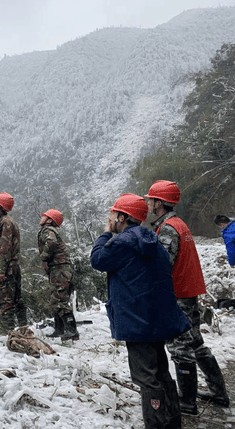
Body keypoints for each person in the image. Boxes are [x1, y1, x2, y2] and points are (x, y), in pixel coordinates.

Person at [91, 193, 190, 429]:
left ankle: (157, 425)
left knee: (146, 378)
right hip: (157, 319)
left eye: (114, 214)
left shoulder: (122, 242)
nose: (111, 218)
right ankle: (172, 422)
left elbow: (97, 260)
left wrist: (106, 232)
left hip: (137, 322)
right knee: (161, 374)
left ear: (123, 217)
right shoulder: (152, 240)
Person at [145, 181, 230, 414]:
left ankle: (187, 401)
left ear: (159, 203)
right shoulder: (179, 224)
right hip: (189, 292)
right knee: (195, 343)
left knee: (180, 348)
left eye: (151, 200)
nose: (148, 203)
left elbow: (163, 265)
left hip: (178, 295)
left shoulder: (168, 229)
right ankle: (218, 392)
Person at [37, 209, 78, 340]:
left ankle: (72, 331)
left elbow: (51, 242)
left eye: (45, 216)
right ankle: (59, 329)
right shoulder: (49, 229)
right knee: (56, 298)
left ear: (50, 220)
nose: (42, 218)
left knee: (59, 299)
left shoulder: (48, 230)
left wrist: (43, 258)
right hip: (59, 268)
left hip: (60, 268)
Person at [0, 192, 26, 330]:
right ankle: (24, 328)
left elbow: (4, 248)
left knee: (5, 302)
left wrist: (1, 270)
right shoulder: (8, 221)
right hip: (13, 266)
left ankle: (9, 333)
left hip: (7, 268)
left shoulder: (5, 223)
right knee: (17, 299)